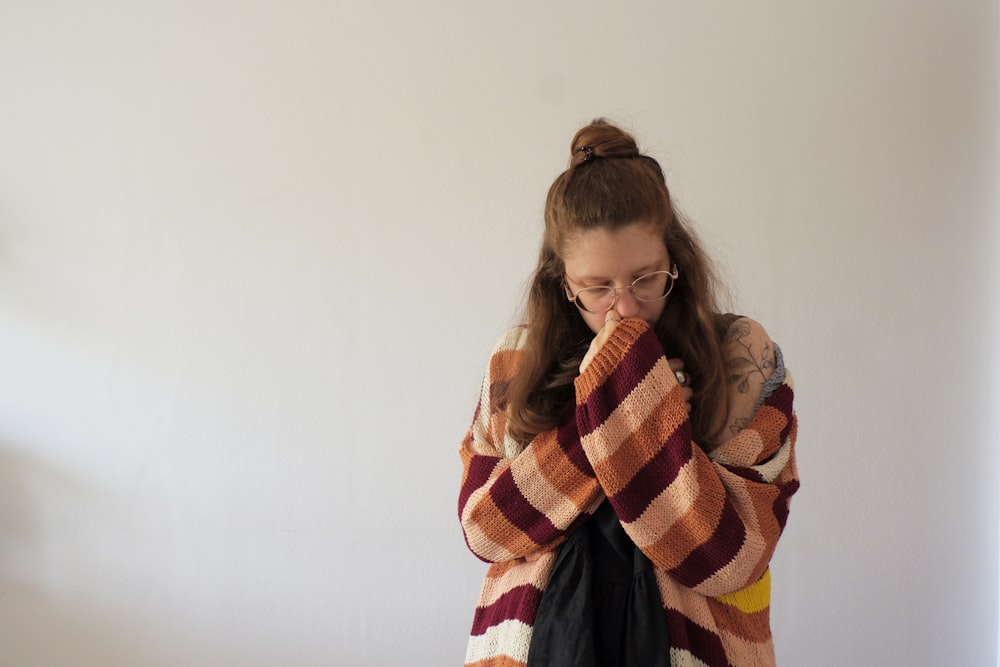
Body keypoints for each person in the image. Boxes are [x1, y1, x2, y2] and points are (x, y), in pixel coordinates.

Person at [457, 118, 799, 667]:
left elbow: (733, 555)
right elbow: (486, 530)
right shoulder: (515, 361)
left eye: (646, 278)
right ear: (564, 283)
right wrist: (624, 408)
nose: (626, 306)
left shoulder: (739, 354)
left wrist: (626, 404)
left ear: (676, 259)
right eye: (597, 287)